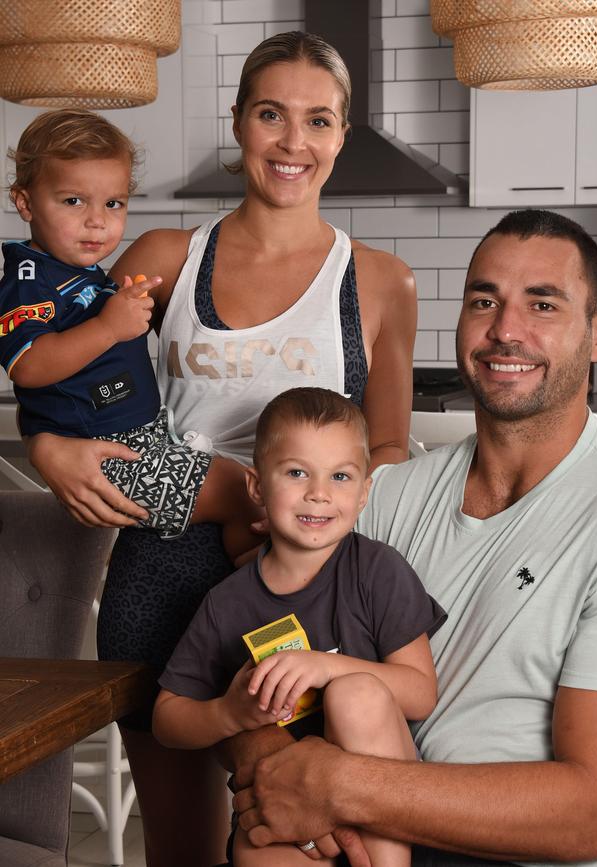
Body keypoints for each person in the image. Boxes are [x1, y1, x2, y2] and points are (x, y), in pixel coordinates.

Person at [25, 32, 418, 867]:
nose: (292, 142)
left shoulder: (379, 280)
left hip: (296, 592)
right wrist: (51, 451)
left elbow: (387, 443)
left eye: (319, 121)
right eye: (271, 114)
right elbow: (60, 368)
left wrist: (310, 510)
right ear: (238, 122)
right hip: (159, 574)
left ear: (343, 135)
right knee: (183, 850)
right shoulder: (168, 258)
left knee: (297, 832)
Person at [231, 209, 597, 867]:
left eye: (542, 304)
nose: (506, 331)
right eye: (484, 300)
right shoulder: (387, 495)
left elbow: (592, 814)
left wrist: (336, 784)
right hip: (379, 836)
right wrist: (271, 765)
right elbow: (255, 636)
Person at [153, 387, 446, 867]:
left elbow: (420, 692)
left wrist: (322, 668)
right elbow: (168, 719)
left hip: (377, 796)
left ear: (364, 491)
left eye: (340, 476)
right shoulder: (226, 603)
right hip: (288, 805)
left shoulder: (377, 570)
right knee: (251, 848)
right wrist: (230, 714)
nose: (319, 493)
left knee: (356, 694)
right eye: (296, 472)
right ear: (256, 487)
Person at [0, 109, 262, 559]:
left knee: (257, 493)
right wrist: (108, 326)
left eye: (113, 203)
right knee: (249, 498)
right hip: (109, 458)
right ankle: (256, 603)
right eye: (72, 201)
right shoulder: (29, 280)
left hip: (139, 437)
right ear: (24, 202)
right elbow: (28, 366)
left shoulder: (74, 271)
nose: (97, 221)